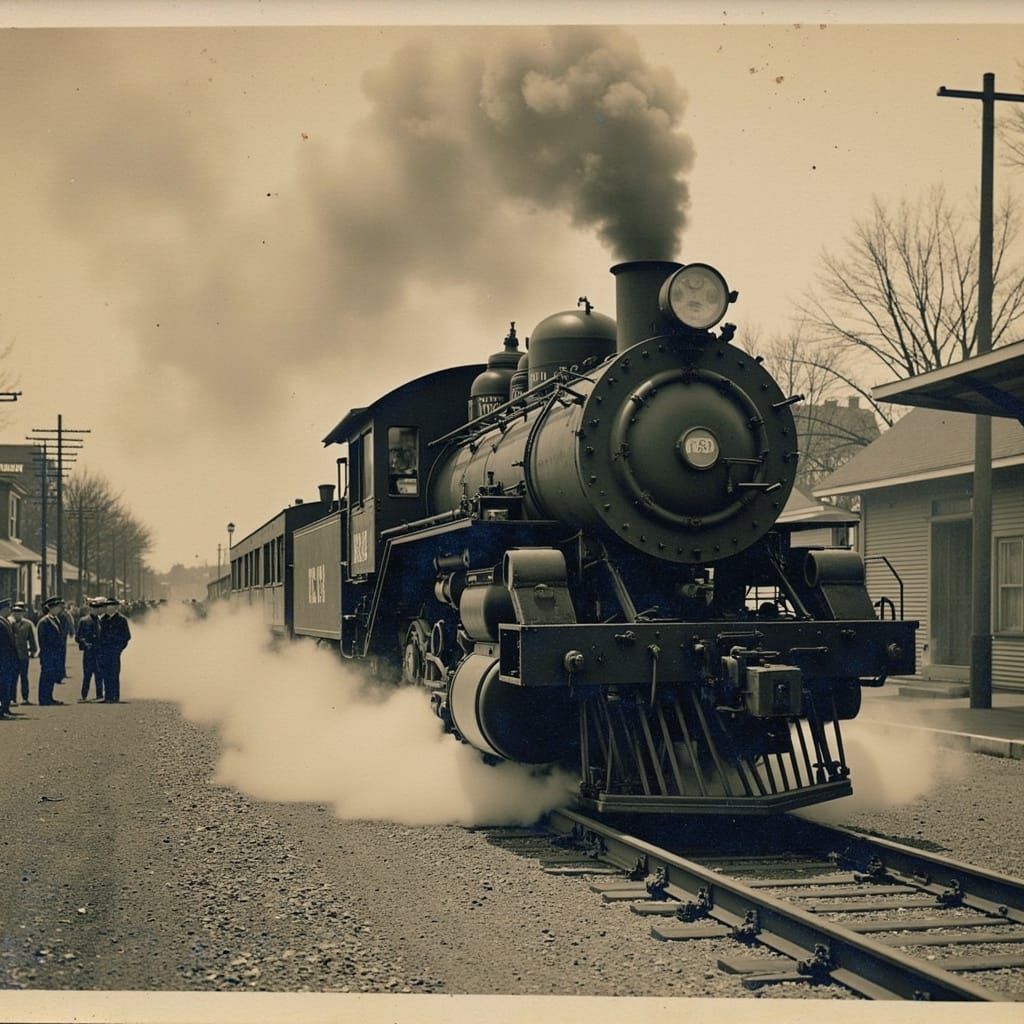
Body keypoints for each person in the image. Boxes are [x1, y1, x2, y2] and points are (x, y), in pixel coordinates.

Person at [97, 598, 130, 703]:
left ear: (116, 607)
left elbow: (126, 636)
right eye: (106, 606)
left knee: (114, 673)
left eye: (110, 606)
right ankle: (107, 696)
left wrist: (119, 648)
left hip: (114, 651)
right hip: (104, 651)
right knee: (105, 674)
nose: (108, 608)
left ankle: (115, 696)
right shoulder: (103, 620)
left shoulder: (122, 620)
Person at [37, 596, 68, 706]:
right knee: (46, 675)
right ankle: (43, 698)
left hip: (55, 653)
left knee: (51, 676)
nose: (59, 609)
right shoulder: (44, 621)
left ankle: (49, 697)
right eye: (57, 607)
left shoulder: (55, 619)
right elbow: (42, 639)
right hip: (48, 653)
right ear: (51, 608)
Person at [75, 599, 104, 702]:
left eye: (97, 608)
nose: (95, 611)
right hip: (89, 652)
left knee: (99, 674)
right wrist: (85, 643)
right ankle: (84, 696)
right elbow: (78, 637)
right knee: (87, 675)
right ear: (90, 609)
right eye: (93, 608)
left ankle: (99, 695)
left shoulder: (101, 621)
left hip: (99, 651)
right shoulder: (83, 621)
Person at [10, 602, 38, 705]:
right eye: (16, 612)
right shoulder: (9, 623)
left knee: (24, 677)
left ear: (23, 613)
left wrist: (33, 650)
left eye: (20, 612)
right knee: (13, 677)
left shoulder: (27, 624)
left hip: (23, 654)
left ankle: (25, 698)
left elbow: (31, 638)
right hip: (12, 655)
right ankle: (12, 698)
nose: (18, 614)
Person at [0, 598, 19, 718]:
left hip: (8, 659)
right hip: (3, 659)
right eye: (8, 608)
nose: (9, 610)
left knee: (7, 684)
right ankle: (2, 710)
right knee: (3, 684)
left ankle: (5, 708)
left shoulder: (5, 622)